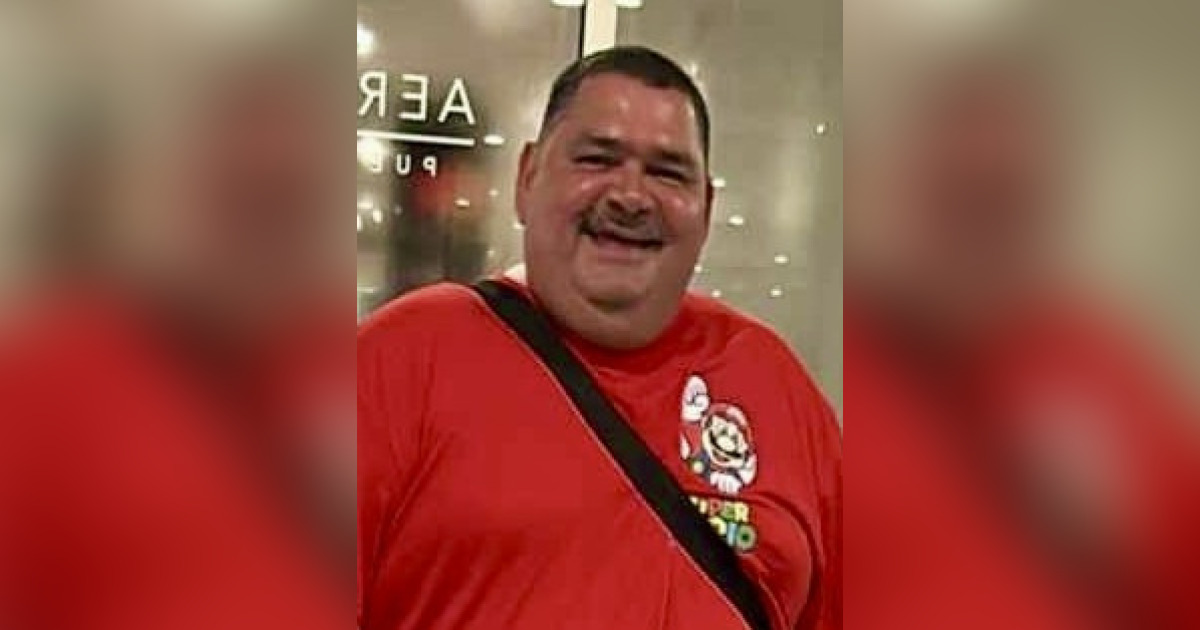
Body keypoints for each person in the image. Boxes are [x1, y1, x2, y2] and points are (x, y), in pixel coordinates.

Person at [358, 46, 842, 630]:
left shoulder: (774, 386)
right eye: (597, 159)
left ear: (706, 207)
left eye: (667, 172)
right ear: (527, 178)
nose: (630, 197)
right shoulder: (405, 360)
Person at [846, 50, 1200, 629]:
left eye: (1006, 199)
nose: (982, 232)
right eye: (962, 197)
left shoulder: (1108, 374)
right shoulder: (856, 371)